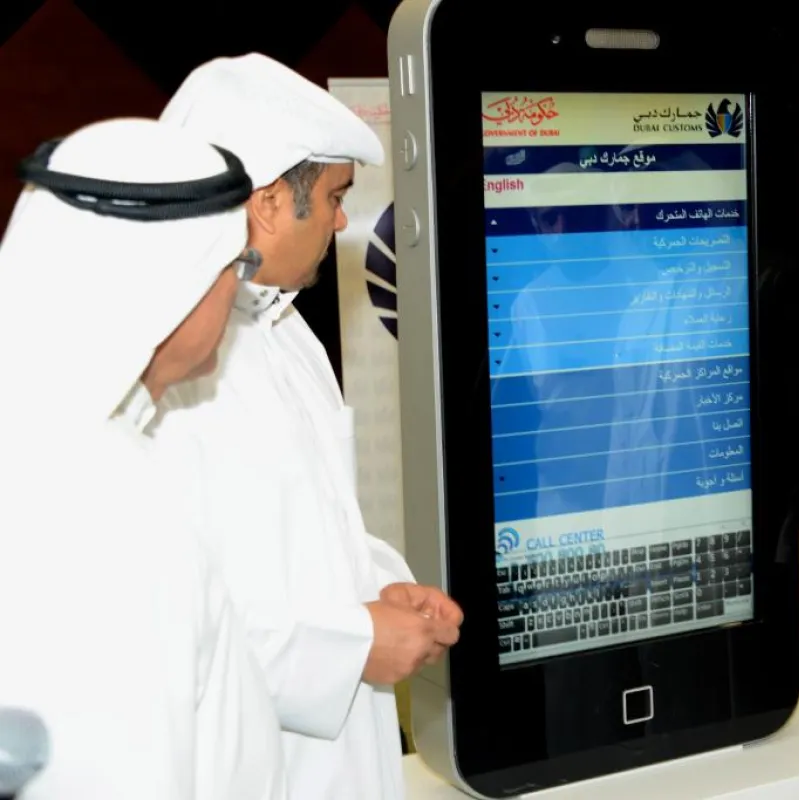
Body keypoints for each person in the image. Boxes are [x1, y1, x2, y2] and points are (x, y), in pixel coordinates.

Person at [148, 53, 463, 800]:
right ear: (266, 202)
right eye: (332, 197)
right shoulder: (166, 364)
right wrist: (354, 647)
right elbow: (172, 621)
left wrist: (386, 588)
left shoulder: (288, 332)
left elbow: (320, 525)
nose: (342, 220)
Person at [0, 118, 286, 798]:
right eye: (236, 266)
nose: (237, 291)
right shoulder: (99, 500)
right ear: (174, 283)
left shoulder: (55, 434)